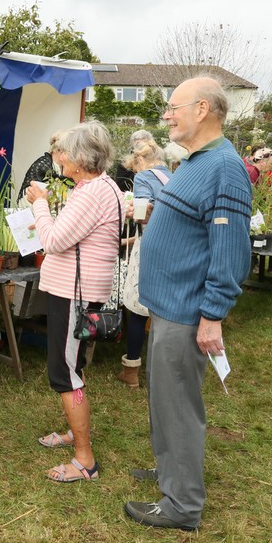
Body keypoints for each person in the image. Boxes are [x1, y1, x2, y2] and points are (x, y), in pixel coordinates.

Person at [125, 76, 252, 531]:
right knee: (164, 398)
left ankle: (182, 505)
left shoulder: (225, 167)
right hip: (168, 306)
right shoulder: (198, 161)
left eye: (173, 107)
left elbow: (231, 250)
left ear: (202, 109)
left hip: (186, 311)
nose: (166, 115)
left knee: (178, 404)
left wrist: (213, 315)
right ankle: (171, 472)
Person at [25, 122, 124, 484]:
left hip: (73, 293)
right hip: (82, 290)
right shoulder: (106, 186)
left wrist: (40, 205)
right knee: (75, 364)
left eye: (63, 152)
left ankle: (85, 459)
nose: (59, 158)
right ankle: (74, 433)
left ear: (81, 158)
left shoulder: (89, 194)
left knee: (65, 373)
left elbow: (52, 241)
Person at [117, 140, 172, 388]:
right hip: (173, 247)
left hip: (150, 248)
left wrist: (133, 212)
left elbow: (142, 213)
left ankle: (131, 371)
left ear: (139, 162)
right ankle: (162, 370)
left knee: (138, 307)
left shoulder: (143, 178)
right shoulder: (172, 175)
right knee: (162, 309)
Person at [18, 130, 68, 201]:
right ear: (59, 150)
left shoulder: (65, 167)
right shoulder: (42, 165)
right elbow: (32, 192)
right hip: (31, 203)